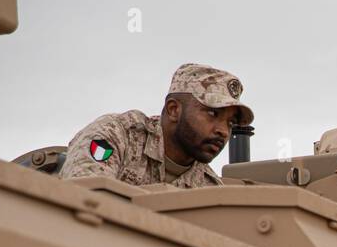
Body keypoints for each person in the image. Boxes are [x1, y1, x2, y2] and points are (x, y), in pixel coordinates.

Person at [59, 63, 254, 189]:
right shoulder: (117, 136)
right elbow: (82, 200)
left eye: (230, 123)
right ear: (173, 110)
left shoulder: (210, 188)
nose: (223, 130)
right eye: (213, 113)